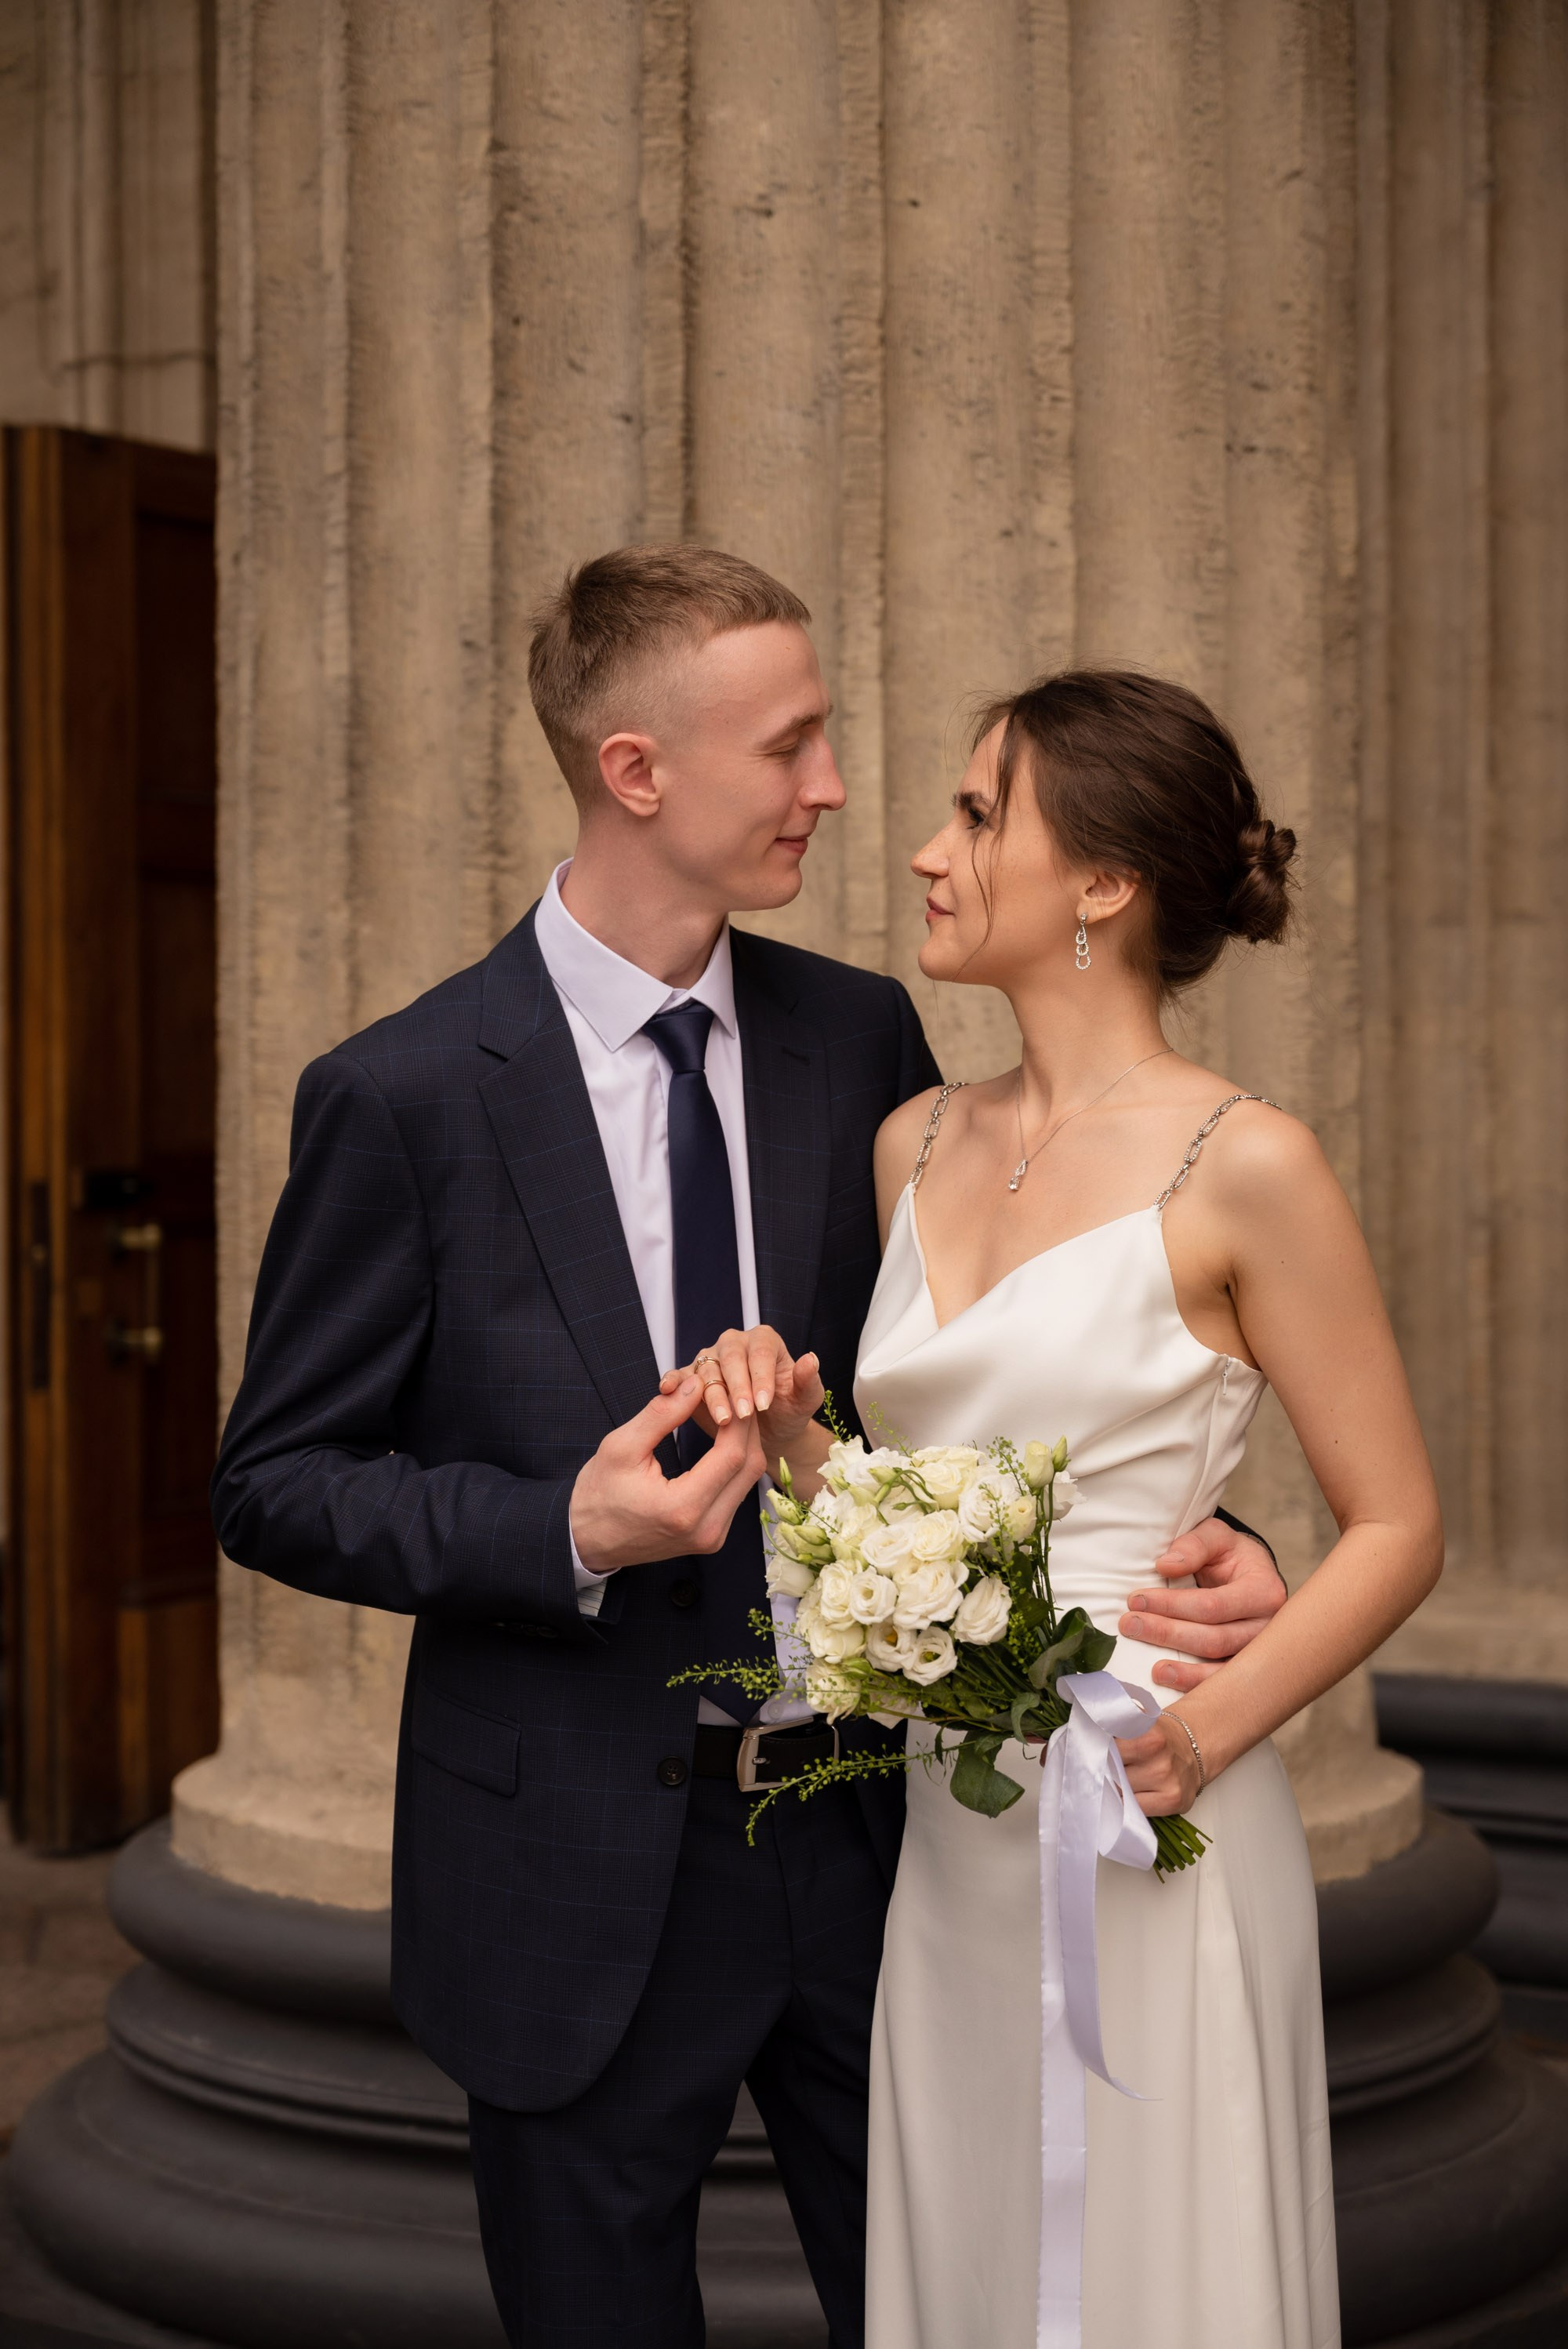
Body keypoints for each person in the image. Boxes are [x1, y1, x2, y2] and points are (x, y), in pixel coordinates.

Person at [210, 554, 1287, 2349]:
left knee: (963, 2309)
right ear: (636, 770)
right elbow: (271, 1479)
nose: (834, 786)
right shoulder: (403, 1094)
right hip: (567, 1870)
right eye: (790, 744)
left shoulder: (857, 1039)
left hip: (887, 1837)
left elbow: (972, 1385)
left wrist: (1201, 1525)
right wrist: (562, 1526)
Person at [698, 669, 1443, 2349]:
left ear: (1103, 880)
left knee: (1152, 2265)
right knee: (974, 2254)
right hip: (949, 1837)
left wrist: (1205, 1732)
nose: (926, 850)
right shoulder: (911, 1141)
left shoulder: (1246, 1163)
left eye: (977, 815)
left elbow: (1400, 1525)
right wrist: (798, 1438)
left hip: (1150, 1815)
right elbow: (898, 1516)